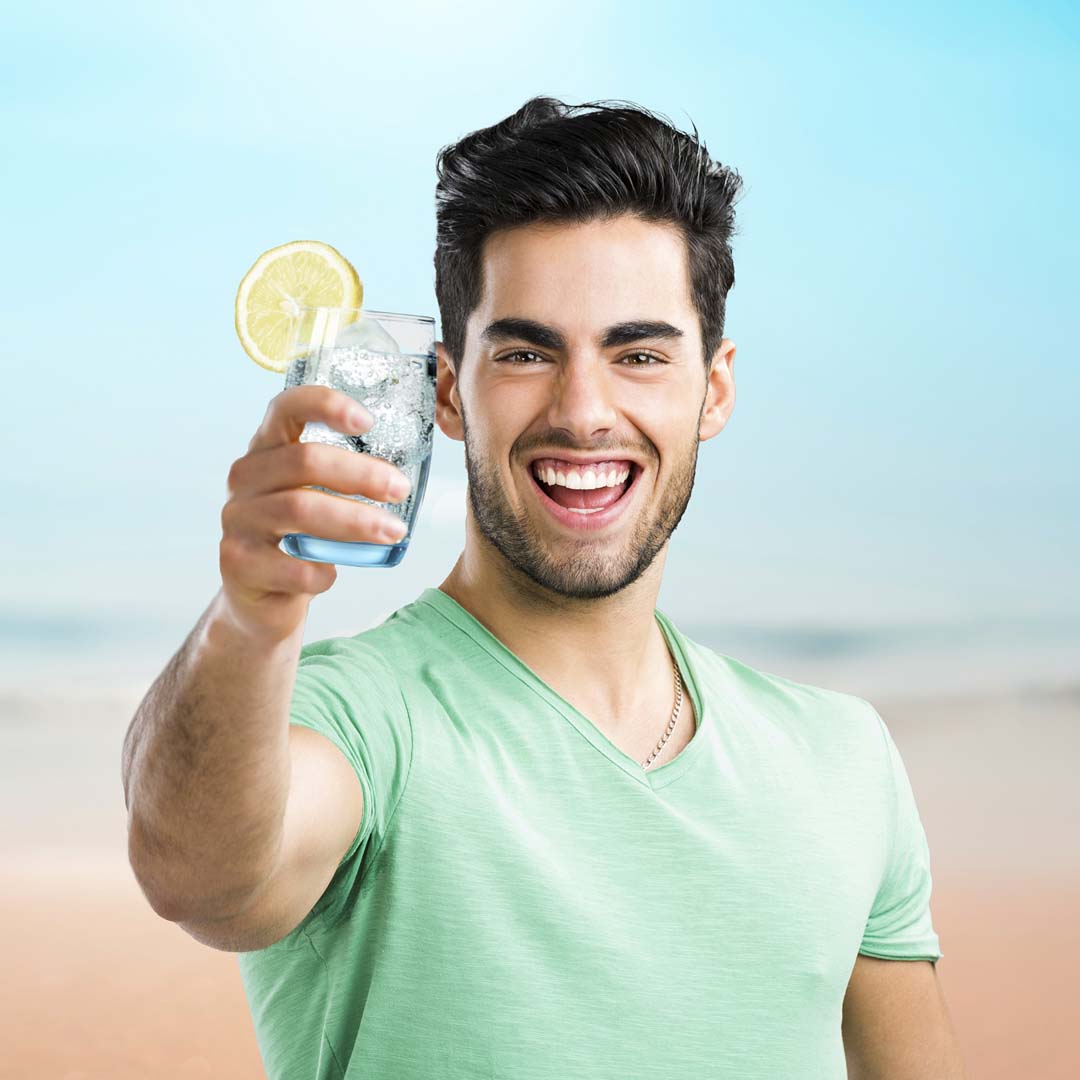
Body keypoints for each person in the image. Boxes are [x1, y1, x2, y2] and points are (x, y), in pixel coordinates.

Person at [122, 96, 966, 1079]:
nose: (582, 411)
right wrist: (248, 618)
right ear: (447, 391)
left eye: (639, 355)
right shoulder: (346, 723)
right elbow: (200, 876)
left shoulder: (844, 760)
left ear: (716, 388)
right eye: (525, 353)